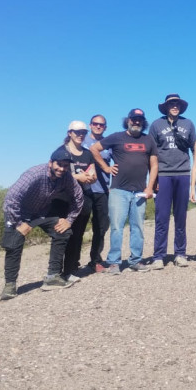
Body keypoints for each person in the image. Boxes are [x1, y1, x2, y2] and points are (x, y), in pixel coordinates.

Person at [0, 147, 84, 300]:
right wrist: (18, 223)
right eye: (59, 164)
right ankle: (10, 285)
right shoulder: (34, 174)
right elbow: (11, 199)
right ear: (51, 162)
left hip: (41, 213)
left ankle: (53, 277)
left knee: (63, 230)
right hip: (18, 213)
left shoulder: (67, 177)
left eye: (65, 166)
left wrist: (69, 220)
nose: (62, 169)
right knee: (14, 242)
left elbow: (78, 198)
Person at [89, 108, 158, 275]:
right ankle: (114, 262)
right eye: (133, 119)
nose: (136, 122)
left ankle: (136, 260)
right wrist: (105, 167)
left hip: (140, 191)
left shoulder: (148, 140)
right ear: (128, 120)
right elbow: (94, 149)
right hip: (119, 191)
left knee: (138, 227)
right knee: (117, 227)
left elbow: (154, 165)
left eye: (139, 120)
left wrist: (150, 187)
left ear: (143, 122)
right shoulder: (117, 137)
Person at [149, 94, 196, 269]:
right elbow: (151, 154)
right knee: (161, 217)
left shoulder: (188, 124)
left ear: (180, 106)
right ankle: (159, 255)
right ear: (166, 106)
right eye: (171, 104)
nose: (174, 106)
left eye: (177, 103)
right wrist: (152, 179)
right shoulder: (156, 125)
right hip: (163, 174)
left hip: (183, 173)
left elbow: (195, 148)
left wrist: (194, 177)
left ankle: (180, 253)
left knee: (180, 216)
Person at [58, 121, 97, 283]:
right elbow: (57, 173)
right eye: (77, 132)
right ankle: (58, 270)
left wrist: (91, 177)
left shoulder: (87, 154)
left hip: (84, 198)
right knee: (65, 234)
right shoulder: (61, 152)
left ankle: (72, 267)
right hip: (64, 200)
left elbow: (92, 173)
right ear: (69, 133)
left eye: (83, 132)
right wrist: (77, 177)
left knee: (78, 234)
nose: (81, 135)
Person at [83, 114, 111, 273]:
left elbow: (119, 161)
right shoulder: (81, 140)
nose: (98, 126)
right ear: (90, 125)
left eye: (101, 125)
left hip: (102, 190)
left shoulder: (108, 144)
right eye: (95, 124)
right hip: (83, 190)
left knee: (101, 227)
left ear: (105, 127)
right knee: (78, 227)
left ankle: (95, 259)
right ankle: (71, 263)